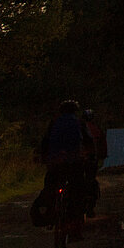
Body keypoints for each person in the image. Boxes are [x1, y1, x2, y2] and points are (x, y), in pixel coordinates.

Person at [37, 100, 91, 240]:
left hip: (55, 162)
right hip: (74, 162)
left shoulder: (54, 123)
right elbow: (88, 141)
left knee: (50, 184)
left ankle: (50, 212)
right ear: (75, 111)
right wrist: (90, 156)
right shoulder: (79, 123)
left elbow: (45, 142)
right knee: (78, 190)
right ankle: (75, 228)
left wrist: (44, 157)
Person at [80, 108, 108, 218]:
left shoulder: (78, 127)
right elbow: (103, 146)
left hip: (78, 159)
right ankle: (90, 207)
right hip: (92, 160)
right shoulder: (96, 129)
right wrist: (102, 155)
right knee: (91, 181)